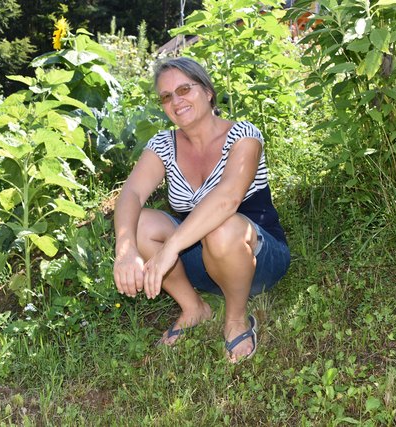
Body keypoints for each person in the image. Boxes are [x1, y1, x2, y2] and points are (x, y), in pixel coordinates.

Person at [112, 57, 290, 363]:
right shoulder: (164, 145)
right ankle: (194, 308)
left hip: (258, 259)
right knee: (139, 223)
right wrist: (125, 248)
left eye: (184, 89)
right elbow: (132, 192)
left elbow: (228, 198)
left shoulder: (244, 135)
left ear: (207, 91)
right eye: (167, 96)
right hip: (200, 262)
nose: (176, 101)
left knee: (221, 226)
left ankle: (235, 318)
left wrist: (169, 250)